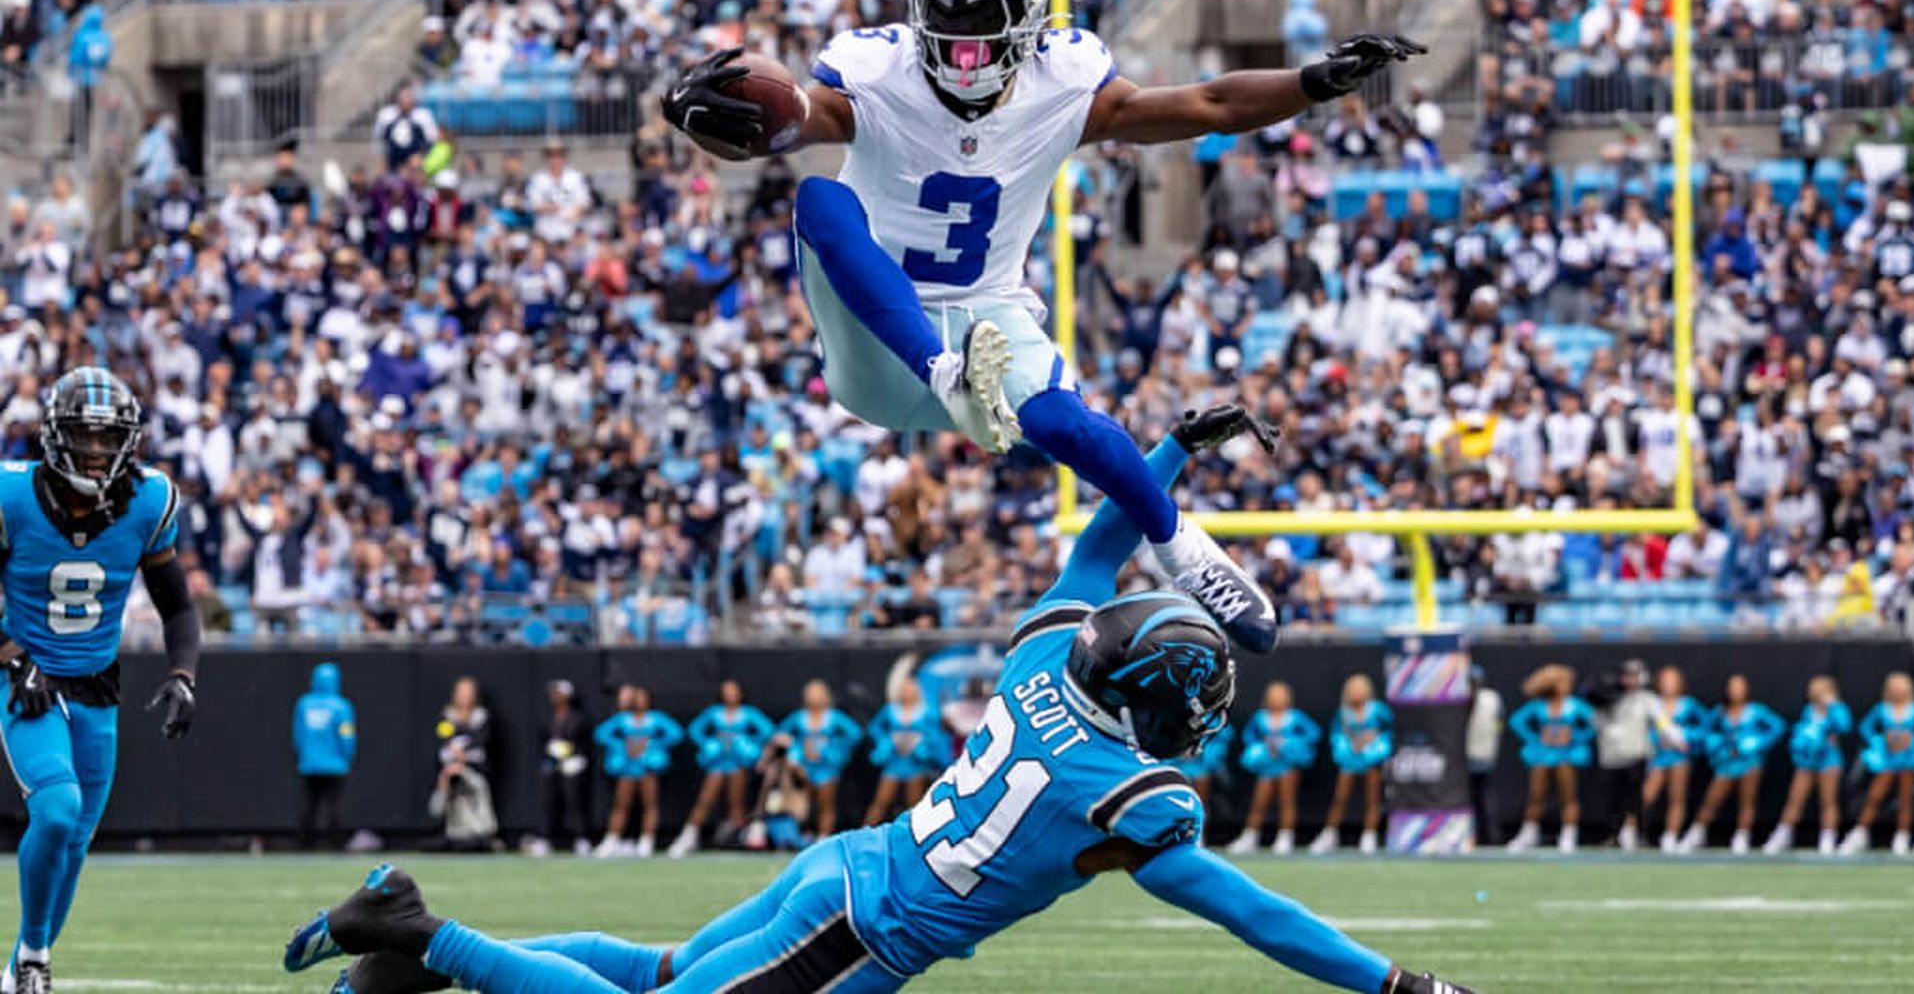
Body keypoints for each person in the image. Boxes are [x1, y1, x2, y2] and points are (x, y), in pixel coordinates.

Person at [287, 405, 1476, 994]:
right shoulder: (1139, 800)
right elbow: (1259, 919)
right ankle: (415, 928)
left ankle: (417, 967)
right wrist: (1398, 985)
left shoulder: (1043, 660)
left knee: (655, 970)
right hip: (861, 929)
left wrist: (1169, 452)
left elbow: (1099, 550)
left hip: (848, 857)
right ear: (1167, 706)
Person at [663, 0, 1426, 654]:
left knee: (1069, 427)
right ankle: (947, 374)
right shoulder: (878, 71)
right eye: (946, 16)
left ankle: (1184, 547)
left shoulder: (1063, 82)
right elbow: (791, 122)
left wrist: (1312, 81)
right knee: (819, 200)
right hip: (878, 339)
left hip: (987, 312)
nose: (961, 42)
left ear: (1027, 17)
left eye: (981, 19)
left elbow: (1209, 105)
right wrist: (715, 118)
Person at [0, 368, 199, 994]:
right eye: (83, 438)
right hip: (27, 680)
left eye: (106, 439)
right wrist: (11, 653)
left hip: (96, 687)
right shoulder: (12, 496)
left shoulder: (149, 501)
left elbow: (179, 607)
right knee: (56, 812)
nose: (95, 451)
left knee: (77, 841)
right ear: (54, 438)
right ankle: (34, 956)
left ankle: (15, 978)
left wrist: (183, 674)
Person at [1679, 674, 1784, 854]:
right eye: (1733, 687)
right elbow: (1705, 731)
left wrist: (1756, 743)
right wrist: (1716, 743)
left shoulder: (1756, 710)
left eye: (1740, 687)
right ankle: (1696, 834)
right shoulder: (1720, 712)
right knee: (1711, 800)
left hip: (1750, 762)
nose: (1737, 691)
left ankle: (1742, 836)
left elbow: (1778, 727)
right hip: (1727, 763)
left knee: (1747, 801)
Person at [668, 680, 774, 857]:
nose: (730, 695)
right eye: (726, 691)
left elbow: (768, 730)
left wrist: (749, 746)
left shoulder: (748, 714)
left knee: (736, 804)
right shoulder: (714, 713)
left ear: (740, 694)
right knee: (705, 800)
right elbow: (695, 730)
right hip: (717, 763)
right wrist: (708, 744)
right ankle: (688, 836)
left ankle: (738, 839)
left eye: (733, 691)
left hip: (737, 763)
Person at [1506, 665, 1595, 853]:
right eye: (1562, 682)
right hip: (1543, 753)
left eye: (1568, 682)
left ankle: (1568, 835)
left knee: (1568, 797)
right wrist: (1536, 738)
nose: (1567, 686)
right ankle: (1529, 834)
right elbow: (1516, 721)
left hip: (1566, 754)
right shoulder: (1539, 705)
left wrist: (1575, 736)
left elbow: (1596, 722)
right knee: (1536, 795)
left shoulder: (1574, 705)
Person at [1228, 680, 1320, 855]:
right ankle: (1250, 836)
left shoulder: (1295, 717)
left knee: (1287, 801)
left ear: (1287, 698)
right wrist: (1261, 747)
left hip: (1287, 766)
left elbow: (1313, 733)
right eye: (1273, 695)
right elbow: (1249, 736)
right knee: (1259, 803)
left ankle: (1285, 836)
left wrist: (1292, 744)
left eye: (1280, 695)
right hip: (1267, 766)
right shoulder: (1260, 717)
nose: (1276, 698)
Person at [592, 685, 682, 858]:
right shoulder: (623, 718)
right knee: (621, 805)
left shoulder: (656, 718)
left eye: (643, 697)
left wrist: (652, 744)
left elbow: (675, 733)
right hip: (628, 767)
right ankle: (611, 841)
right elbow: (601, 733)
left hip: (647, 768)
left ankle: (646, 842)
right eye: (637, 698)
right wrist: (621, 745)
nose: (640, 701)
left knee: (650, 805)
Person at [1765, 675, 1851, 855]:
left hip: (1829, 761)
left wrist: (1832, 706)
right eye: (1812, 688)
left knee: (1828, 801)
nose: (1813, 692)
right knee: (1795, 799)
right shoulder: (1808, 710)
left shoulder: (1837, 708)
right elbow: (1803, 732)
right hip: (1806, 761)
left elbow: (1844, 726)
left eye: (1818, 688)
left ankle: (1828, 839)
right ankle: (1783, 835)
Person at [1310, 674, 1394, 854]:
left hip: (1371, 760)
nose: (1357, 692)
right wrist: (1349, 744)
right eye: (1354, 689)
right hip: (1349, 760)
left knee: (1372, 799)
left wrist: (1375, 740)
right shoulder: (1343, 713)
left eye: (1361, 688)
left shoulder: (1378, 711)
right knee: (1340, 798)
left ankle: (1369, 836)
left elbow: (1389, 730)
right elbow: (1336, 734)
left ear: (1368, 691)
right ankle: (1330, 834)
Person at [1839, 671, 1914, 855]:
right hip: (1888, 760)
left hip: (1909, 759)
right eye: (1895, 686)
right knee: (1874, 796)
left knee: (1906, 800)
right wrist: (1882, 740)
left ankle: (1903, 837)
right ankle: (1860, 834)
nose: (1898, 690)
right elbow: (1865, 728)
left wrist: (1912, 740)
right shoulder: (1882, 709)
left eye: (1902, 686)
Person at [776, 680, 864, 838]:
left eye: (817, 693)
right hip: (804, 768)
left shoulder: (834, 717)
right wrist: (795, 752)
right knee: (806, 804)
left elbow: (855, 733)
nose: (814, 697)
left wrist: (834, 750)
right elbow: (780, 734)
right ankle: (804, 834)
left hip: (826, 767)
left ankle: (823, 836)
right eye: (810, 694)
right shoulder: (799, 717)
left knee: (826, 802)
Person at [1590, 659, 1658, 851]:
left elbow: (1662, 722)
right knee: (1612, 801)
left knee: (1636, 800)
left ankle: (1640, 834)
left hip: (1635, 755)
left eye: (1634, 676)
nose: (1630, 680)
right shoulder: (1610, 698)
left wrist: (1675, 738)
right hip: (1611, 757)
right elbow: (1595, 723)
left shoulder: (1647, 699)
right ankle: (1612, 835)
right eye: (1627, 675)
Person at [292, 661, 357, 851]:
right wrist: (347, 757)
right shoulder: (341, 706)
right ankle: (336, 844)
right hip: (335, 764)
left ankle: (305, 844)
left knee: (309, 805)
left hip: (309, 763)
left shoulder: (304, 704)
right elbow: (347, 736)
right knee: (334, 806)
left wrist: (303, 755)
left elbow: (298, 735)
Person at [863, 677, 945, 826]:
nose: (907, 693)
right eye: (904, 690)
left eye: (910, 690)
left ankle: (914, 836)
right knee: (881, 801)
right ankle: (864, 833)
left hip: (914, 763)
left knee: (913, 803)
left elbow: (936, 734)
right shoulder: (891, 710)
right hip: (894, 761)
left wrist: (922, 744)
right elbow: (875, 728)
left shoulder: (926, 711)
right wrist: (886, 742)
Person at [1643, 665, 1707, 853]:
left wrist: (1686, 736)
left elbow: (1706, 727)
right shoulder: (1653, 704)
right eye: (1665, 680)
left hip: (1680, 757)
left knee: (1677, 797)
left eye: (1673, 681)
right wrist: (1655, 739)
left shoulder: (1689, 704)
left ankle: (1670, 836)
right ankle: (1631, 831)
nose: (1669, 685)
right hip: (1658, 757)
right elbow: (1643, 729)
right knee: (1646, 795)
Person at [430, 677, 496, 853]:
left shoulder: (481, 717)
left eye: (468, 692)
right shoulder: (447, 716)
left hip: (475, 771)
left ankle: (481, 836)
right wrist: (450, 765)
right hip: (450, 771)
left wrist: (463, 759)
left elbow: (481, 749)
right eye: (461, 692)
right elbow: (443, 744)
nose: (464, 696)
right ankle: (452, 834)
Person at [536, 680, 592, 857]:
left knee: (574, 800)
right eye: (553, 694)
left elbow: (582, 743)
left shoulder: (578, 718)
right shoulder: (547, 717)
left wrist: (572, 754)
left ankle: (581, 838)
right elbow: (543, 740)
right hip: (552, 763)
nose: (555, 697)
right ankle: (545, 839)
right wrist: (551, 755)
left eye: (558, 693)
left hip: (572, 764)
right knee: (547, 801)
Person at [1464, 666, 1504, 847]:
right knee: (1472, 802)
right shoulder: (1491, 698)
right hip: (1470, 758)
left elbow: (1499, 726)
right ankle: (1473, 838)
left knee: (1483, 801)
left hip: (1481, 757)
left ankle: (1490, 839)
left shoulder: (1491, 699)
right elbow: (1499, 725)